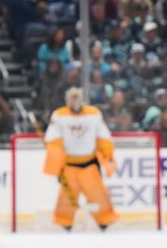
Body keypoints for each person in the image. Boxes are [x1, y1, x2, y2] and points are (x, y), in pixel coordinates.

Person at [42, 87, 118, 231]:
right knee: (66, 199)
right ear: (67, 99)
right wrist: (57, 166)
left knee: (98, 196)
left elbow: (103, 137)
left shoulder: (94, 114)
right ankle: (64, 224)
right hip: (69, 166)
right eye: (72, 97)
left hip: (89, 164)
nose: (75, 99)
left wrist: (106, 154)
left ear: (82, 98)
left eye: (77, 96)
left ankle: (104, 221)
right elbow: (54, 141)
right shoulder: (59, 115)